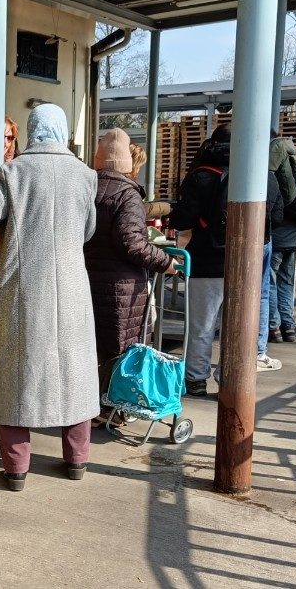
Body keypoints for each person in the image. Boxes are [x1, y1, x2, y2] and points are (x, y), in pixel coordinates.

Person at [0, 104, 99, 491]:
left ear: (30, 131)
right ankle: (77, 459)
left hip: (22, 286)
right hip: (73, 287)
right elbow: (88, 230)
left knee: (15, 373)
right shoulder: (85, 175)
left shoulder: (12, 172)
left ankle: (16, 469)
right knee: (75, 372)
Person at [170, 124, 283, 398]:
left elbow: (182, 219)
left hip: (206, 262)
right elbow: (276, 218)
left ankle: (196, 380)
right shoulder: (263, 175)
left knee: (201, 326)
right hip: (246, 263)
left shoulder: (201, 175)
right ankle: (229, 379)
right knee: (236, 327)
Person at [84, 129, 176, 425]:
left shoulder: (86, 187)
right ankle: (115, 407)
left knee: (94, 344)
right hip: (121, 286)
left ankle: (92, 405)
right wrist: (166, 262)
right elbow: (133, 243)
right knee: (123, 347)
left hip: (87, 278)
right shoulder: (128, 194)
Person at [268, 132, 296, 343]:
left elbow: (280, 198)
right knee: (286, 281)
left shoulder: (274, 160)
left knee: (270, 280)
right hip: (295, 230)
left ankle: (274, 327)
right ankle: (289, 325)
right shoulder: (295, 159)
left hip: (278, 230)